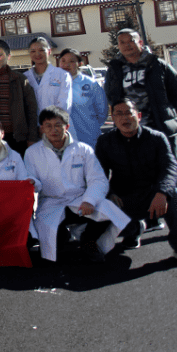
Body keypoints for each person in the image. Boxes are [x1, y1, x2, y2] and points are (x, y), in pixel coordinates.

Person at [95, 100, 177, 268]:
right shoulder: (105, 142)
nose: (125, 118)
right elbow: (98, 174)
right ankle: (133, 229)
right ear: (113, 120)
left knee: (176, 196)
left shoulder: (156, 138)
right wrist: (110, 193)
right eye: (119, 114)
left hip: (152, 196)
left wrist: (162, 192)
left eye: (129, 113)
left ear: (138, 116)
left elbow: (170, 168)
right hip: (123, 198)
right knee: (98, 202)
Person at [24, 106, 130, 263]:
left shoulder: (83, 149)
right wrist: (33, 183)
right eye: (48, 126)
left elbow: (98, 179)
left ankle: (89, 241)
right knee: (55, 250)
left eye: (58, 125)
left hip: (79, 199)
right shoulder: (32, 152)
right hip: (51, 203)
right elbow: (31, 178)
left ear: (66, 127)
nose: (54, 130)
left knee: (111, 212)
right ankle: (64, 234)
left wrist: (90, 200)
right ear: (42, 129)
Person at [104, 28, 177, 165]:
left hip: (159, 124)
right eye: (122, 42)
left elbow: (174, 90)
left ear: (140, 42)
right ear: (118, 46)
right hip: (130, 127)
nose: (127, 45)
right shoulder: (115, 68)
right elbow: (111, 94)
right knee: (136, 166)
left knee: (168, 163)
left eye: (131, 41)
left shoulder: (157, 64)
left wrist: (169, 110)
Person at [0, 38, 39, 154]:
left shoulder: (19, 79)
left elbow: (31, 110)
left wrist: (32, 137)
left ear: (8, 56)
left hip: (17, 137)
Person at [58, 48, 109, 149]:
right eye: (63, 61)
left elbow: (102, 112)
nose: (66, 64)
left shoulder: (90, 84)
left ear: (80, 64)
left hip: (89, 138)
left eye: (71, 61)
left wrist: (90, 125)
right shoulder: (54, 84)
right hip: (63, 140)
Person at [24, 37, 72, 122]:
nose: (37, 54)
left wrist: (49, 125)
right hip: (33, 129)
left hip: (57, 126)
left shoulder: (62, 75)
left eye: (41, 50)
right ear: (29, 54)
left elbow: (64, 105)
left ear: (49, 51)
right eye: (33, 51)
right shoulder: (25, 77)